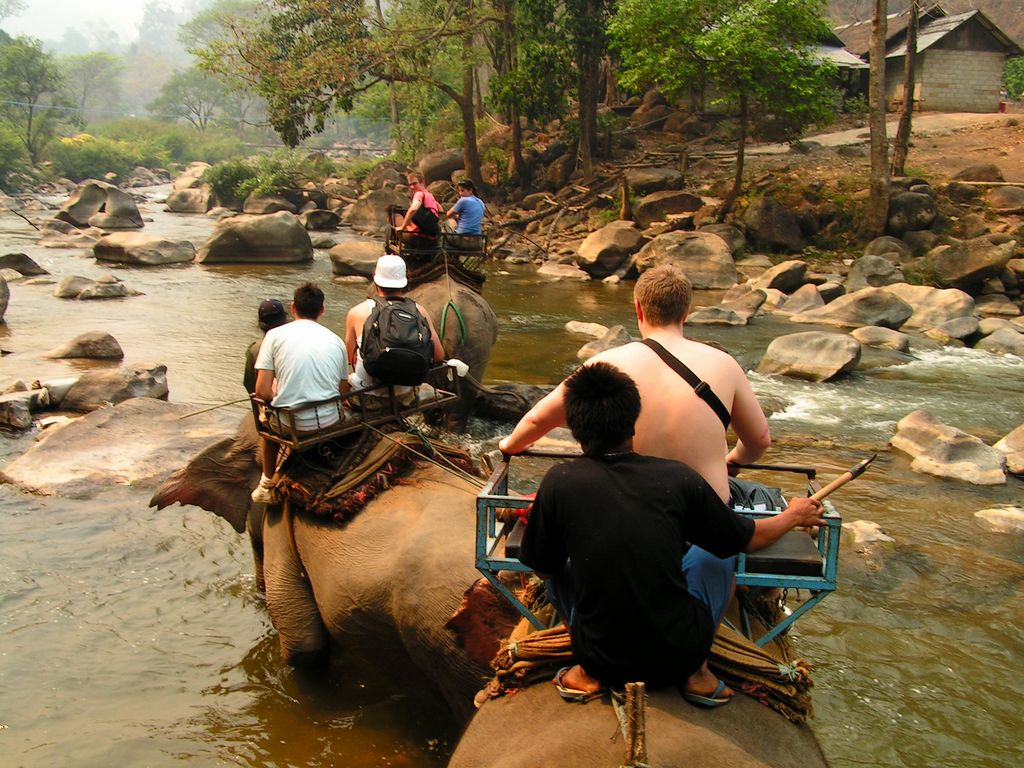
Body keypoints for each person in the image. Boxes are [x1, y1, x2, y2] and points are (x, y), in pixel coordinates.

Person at [517, 362, 824, 705]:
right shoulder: (678, 478)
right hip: (678, 660)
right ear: (633, 422)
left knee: (557, 567)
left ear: (574, 427)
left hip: (599, 660)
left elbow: (543, 569)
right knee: (716, 554)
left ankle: (585, 674)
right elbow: (748, 537)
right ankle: (700, 674)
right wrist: (794, 514)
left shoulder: (559, 480)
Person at [499, 264, 771, 504]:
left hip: (629, 513)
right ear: (687, 311)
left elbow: (537, 420)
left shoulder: (606, 364)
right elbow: (759, 440)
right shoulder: (724, 363)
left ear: (638, 308)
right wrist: (733, 460)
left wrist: (510, 446)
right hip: (705, 520)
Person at [251, 282, 349, 503]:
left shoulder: (274, 336)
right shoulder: (336, 339)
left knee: (267, 428)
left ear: (293, 308)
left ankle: (266, 481)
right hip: (329, 420)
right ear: (322, 310)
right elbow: (343, 389)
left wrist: (277, 391)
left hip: (291, 424)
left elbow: (262, 392)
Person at [344, 254, 445, 401]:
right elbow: (439, 356)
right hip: (404, 393)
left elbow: (348, 357)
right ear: (404, 282)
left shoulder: (357, 312)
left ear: (375, 279)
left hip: (366, 393)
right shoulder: (419, 311)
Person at [243, 299, 289, 394]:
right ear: (285, 320)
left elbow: (249, 384)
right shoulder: (294, 344)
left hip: (265, 401)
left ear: (260, 323)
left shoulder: (255, 349)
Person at [394, 172, 443, 253]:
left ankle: (392, 252)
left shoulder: (419, 194)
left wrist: (402, 227)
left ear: (422, 182)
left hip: (417, 237)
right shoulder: (430, 196)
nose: (412, 187)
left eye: (415, 183)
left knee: (395, 218)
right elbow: (440, 211)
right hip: (432, 239)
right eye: (410, 184)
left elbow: (413, 209)